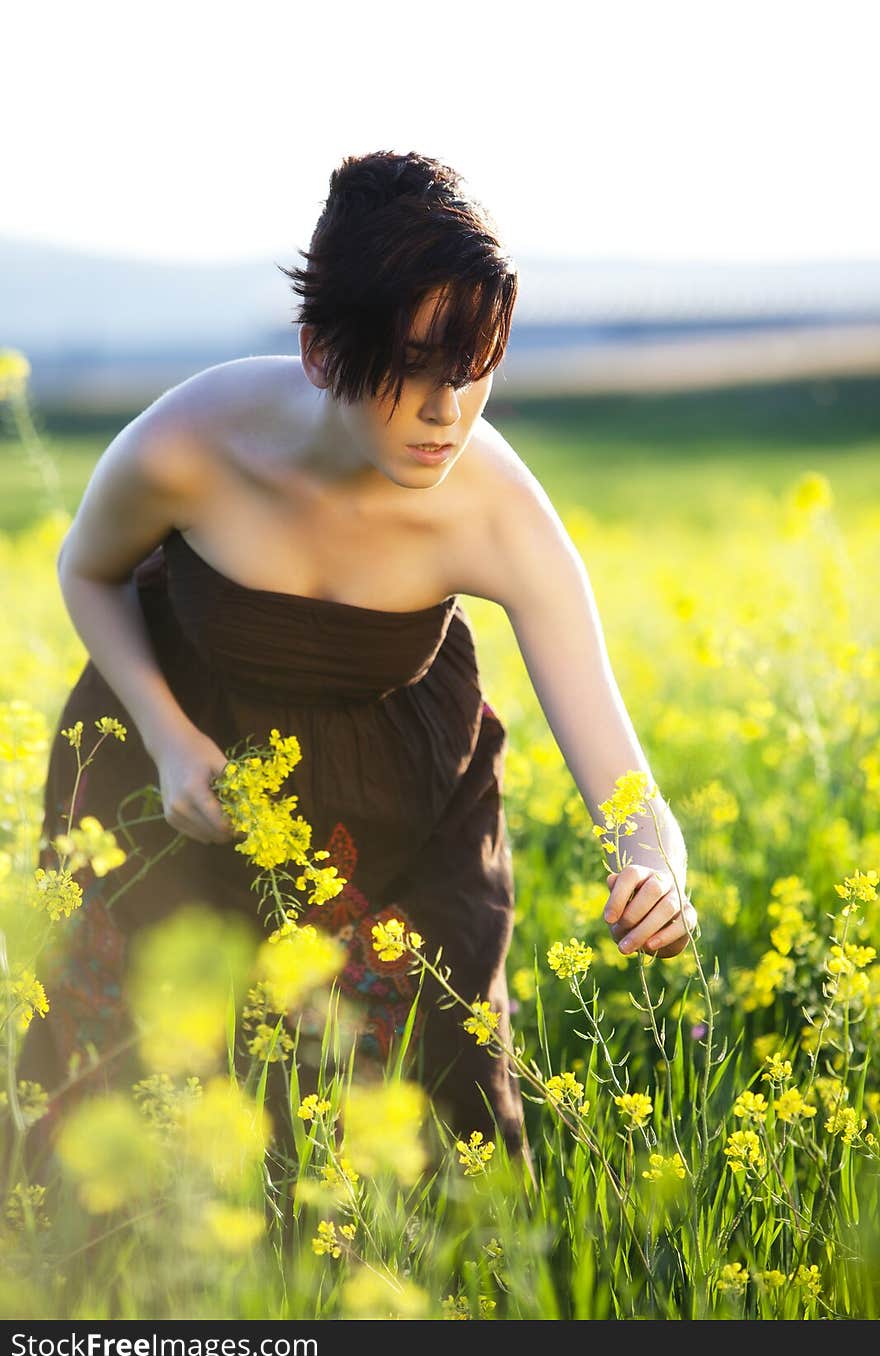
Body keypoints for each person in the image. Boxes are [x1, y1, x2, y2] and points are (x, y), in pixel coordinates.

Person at [20, 149, 696, 1178]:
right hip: (174, 782)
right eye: (415, 369)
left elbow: (622, 776)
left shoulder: (496, 509)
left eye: (474, 368)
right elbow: (87, 572)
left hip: (394, 809)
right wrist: (166, 737)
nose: (447, 413)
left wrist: (654, 867)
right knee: (138, 1100)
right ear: (321, 353)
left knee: (425, 1114)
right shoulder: (193, 443)